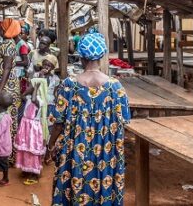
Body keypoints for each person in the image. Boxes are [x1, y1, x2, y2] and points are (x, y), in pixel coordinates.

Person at [47, 30, 131, 206]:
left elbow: (58, 123)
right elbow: (124, 122)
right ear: (101, 57)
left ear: (81, 57)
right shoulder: (116, 88)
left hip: (75, 149)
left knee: (72, 186)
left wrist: (51, 145)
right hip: (106, 153)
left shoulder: (69, 86)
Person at [0, 18, 21, 165]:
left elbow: (7, 68)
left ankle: (8, 156)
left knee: (7, 121)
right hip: (4, 86)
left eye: (2, 28)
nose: (0, 30)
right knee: (6, 121)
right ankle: (4, 154)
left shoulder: (8, 45)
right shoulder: (7, 44)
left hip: (7, 88)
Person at [15, 82, 46, 185]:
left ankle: (34, 173)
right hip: (25, 126)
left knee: (32, 150)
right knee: (25, 148)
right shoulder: (28, 98)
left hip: (33, 128)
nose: (29, 88)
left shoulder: (39, 101)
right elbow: (22, 96)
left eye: (30, 86)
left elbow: (34, 99)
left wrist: (36, 87)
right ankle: (26, 168)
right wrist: (29, 90)